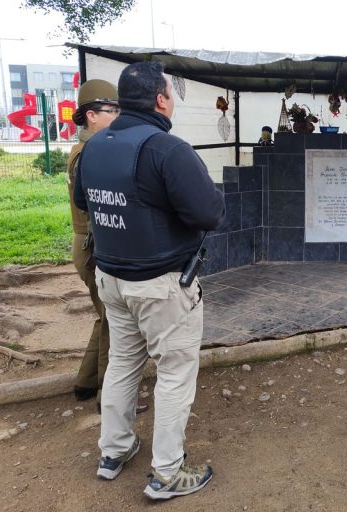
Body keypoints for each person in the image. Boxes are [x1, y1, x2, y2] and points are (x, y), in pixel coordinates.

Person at [74, 61, 226, 500]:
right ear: (161, 99)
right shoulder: (167, 149)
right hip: (161, 286)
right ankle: (167, 473)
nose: (172, 101)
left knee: (123, 362)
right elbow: (209, 214)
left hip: (112, 278)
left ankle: (114, 451)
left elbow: (86, 203)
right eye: (171, 94)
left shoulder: (94, 147)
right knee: (175, 372)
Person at [67, 79, 148, 415]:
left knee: (105, 317)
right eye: (110, 110)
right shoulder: (89, 152)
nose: (116, 116)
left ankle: (85, 383)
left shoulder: (90, 148)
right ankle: (110, 398)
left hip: (91, 244)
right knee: (116, 322)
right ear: (90, 116)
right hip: (94, 245)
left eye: (118, 110)